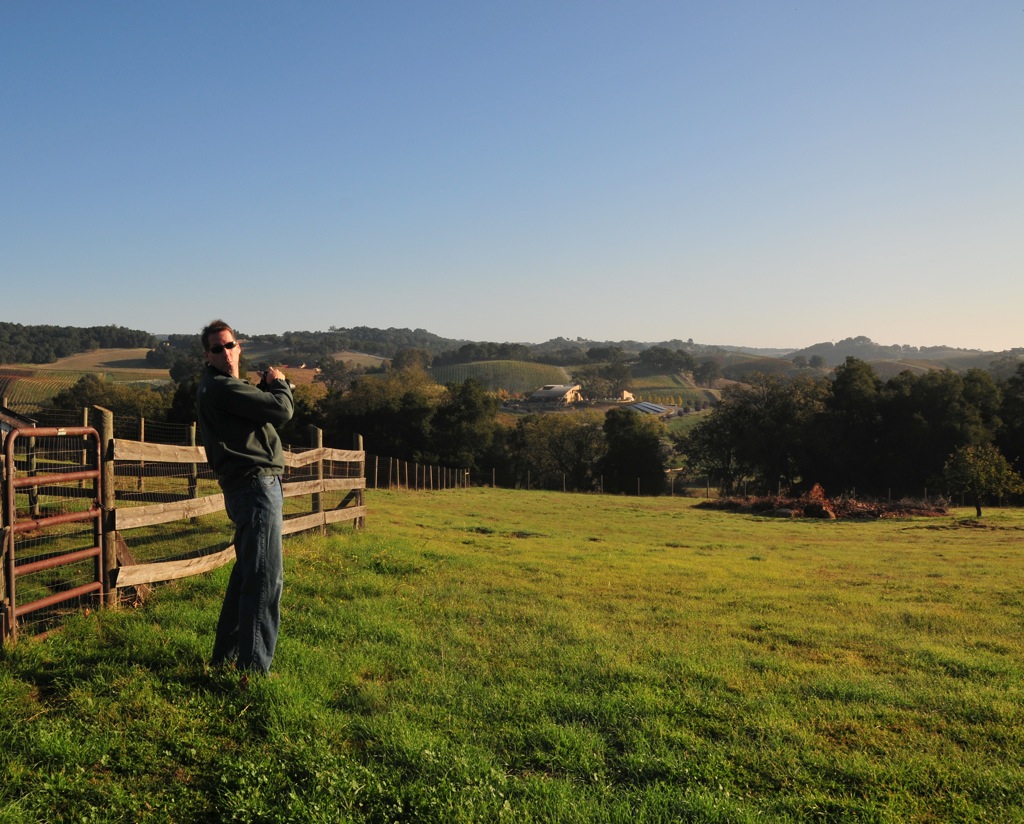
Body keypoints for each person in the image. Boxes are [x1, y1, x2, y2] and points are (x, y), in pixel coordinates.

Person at [196, 319, 294, 680]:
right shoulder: (222, 387)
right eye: (218, 348)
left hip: (247, 489)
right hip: (256, 489)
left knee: (246, 575)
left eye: (230, 345)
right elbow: (282, 411)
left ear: (238, 347)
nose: (226, 353)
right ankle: (253, 672)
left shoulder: (222, 387)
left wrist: (267, 389)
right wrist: (280, 385)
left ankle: (225, 658)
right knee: (265, 579)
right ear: (207, 355)